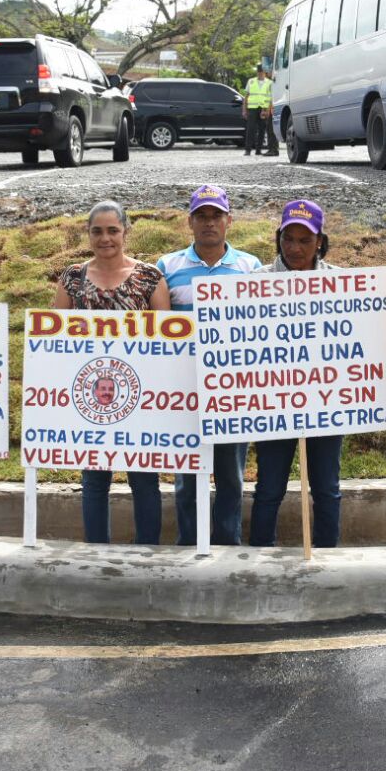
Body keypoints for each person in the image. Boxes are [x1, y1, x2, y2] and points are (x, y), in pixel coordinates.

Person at [52, 200, 172, 544]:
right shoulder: (72, 278)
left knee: (144, 478)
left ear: (126, 232)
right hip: (91, 398)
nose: (105, 238)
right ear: (88, 234)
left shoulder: (149, 278)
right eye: (97, 231)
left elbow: (167, 343)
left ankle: (147, 551)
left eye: (113, 231)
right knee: (94, 479)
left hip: (141, 397)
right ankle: (95, 552)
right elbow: (53, 340)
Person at [157, 185, 265, 544]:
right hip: (184, 392)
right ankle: (189, 542)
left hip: (233, 392)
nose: (209, 223)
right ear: (189, 222)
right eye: (201, 216)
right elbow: (158, 330)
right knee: (187, 479)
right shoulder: (167, 267)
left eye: (216, 216)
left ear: (229, 221)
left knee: (231, 477)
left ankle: (228, 546)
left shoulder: (251, 268)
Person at [248, 199, 343, 548]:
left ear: (320, 241)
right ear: (279, 238)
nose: (295, 248)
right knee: (269, 488)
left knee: (327, 489)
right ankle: (257, 562)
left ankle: (328, 559)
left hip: (327, 404)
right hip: (273, 403)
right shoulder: (255, 284)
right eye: (289, 238)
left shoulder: (342, 284)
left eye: (305, 240)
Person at [243, 66, 277, 156]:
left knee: (262, 130)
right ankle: (248, 150)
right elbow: (246, 96)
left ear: (264, 72)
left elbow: (270, 98)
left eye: (261, 72)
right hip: (252, 108)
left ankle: (258, 149)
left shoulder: (269, 83)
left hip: (264, 109)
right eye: (258, 72)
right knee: (250, 129)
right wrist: (244, 110)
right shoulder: (251, 81)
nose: (259, 73)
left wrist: (267, 109)